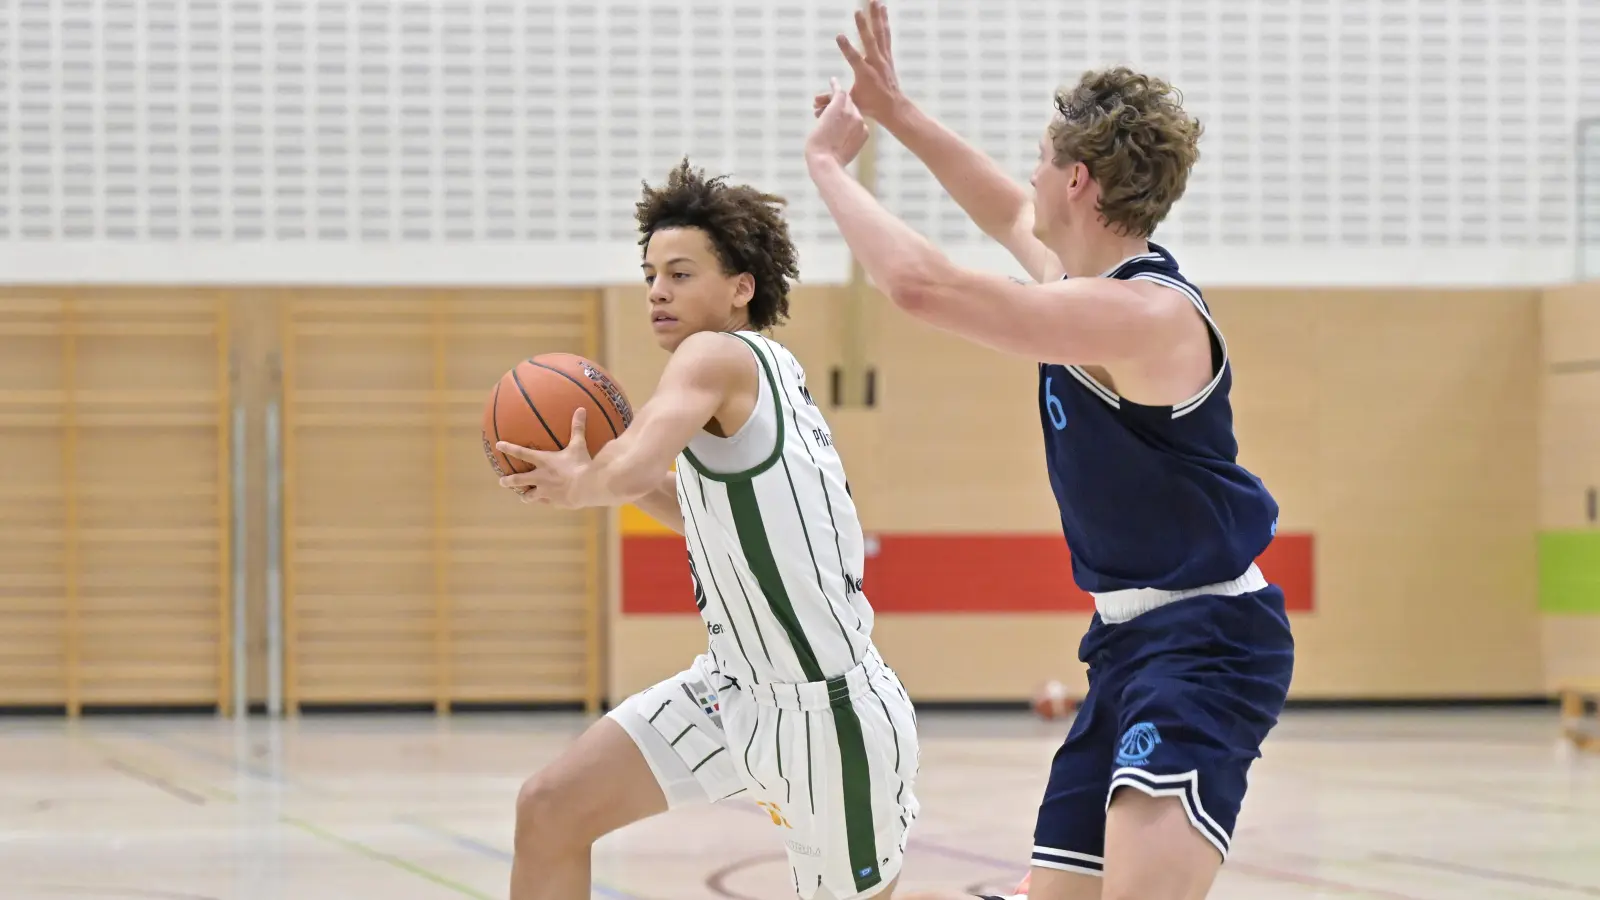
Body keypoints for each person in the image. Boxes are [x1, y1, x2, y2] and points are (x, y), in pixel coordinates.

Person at [805, 4, 1295, 899]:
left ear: (1075, 179)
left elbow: (918, 286)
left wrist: (828, 167)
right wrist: (897, 111)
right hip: (1127, 643)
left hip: (1205, 643)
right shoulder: (1084, 288)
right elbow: (999, 205)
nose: (1027, 175)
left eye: (1040, 157)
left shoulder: (1143, 315)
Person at [495, 159, 921, 900]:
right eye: (650, 274)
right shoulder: (765, 374)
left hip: (828, 716)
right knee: (551, 809)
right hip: (730, 691)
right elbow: (686, 502)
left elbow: (631, 469)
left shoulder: (715, 355)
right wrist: (600, 475)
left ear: (740, 289)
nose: (657, 290)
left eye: (681, 273)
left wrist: (582, 482)